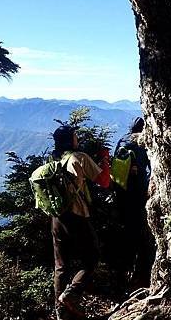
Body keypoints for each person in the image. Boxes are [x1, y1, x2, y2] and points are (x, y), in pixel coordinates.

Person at [51, 124, 110, 320]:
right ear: (70, 140)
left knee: (61, 266)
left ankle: (61, 313)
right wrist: (105, 159)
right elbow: (104, 181)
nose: (78, 138)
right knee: (92, 256)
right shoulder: (80, 157)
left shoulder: (54, 160)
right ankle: (71, 294)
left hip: (57, 218)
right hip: (76, 216)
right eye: (75, 136)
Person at [113, 117, 154, 291]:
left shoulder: (123, 140)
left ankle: (123, 275)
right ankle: (140, 275)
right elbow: (149, 167)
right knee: (140, 234)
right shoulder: (142, 144)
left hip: (121, 194)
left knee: (127, 233)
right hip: (137, 194)